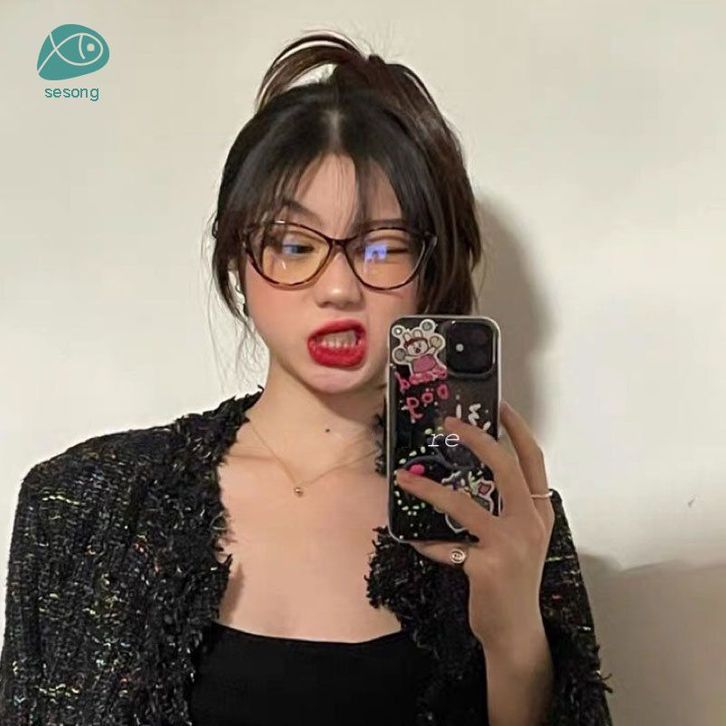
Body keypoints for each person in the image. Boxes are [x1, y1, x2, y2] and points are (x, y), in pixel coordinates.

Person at [0, 31, 613, 726]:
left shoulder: (504, 521)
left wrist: (515, 645)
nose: (339, 288)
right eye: (294, 244)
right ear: (238, 259)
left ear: (431, 273)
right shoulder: (83, 505)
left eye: (383, 248)